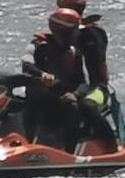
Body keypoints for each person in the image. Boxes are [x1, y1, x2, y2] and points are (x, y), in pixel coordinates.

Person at [56, 0, 118, 150]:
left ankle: (111, 145)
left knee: (86, 105)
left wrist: (77, 32)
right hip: (74, 87)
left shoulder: (93, 33)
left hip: (97, 88)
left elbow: (95, 49)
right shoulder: (61, 32)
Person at [21, 8, 85, 153]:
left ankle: (70, 153)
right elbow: (26, 63)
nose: (78, 34)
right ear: (64, 31)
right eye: (75, 30)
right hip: (38, 101)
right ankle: (27, 147)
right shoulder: (37, 45)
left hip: (60, 101)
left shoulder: (74, 52)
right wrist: (41, 74)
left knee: (74, 108)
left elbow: (82, 82)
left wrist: (75, 94)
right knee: (25, 105)